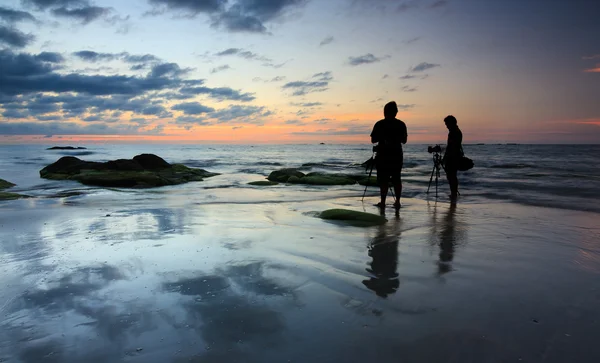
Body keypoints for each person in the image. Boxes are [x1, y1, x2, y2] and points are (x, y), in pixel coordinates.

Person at [370, 101, 408, 209]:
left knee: (384, 179)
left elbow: (373, 140)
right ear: (396, 112)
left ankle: (383, 202)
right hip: (396, 156)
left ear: (384, 112)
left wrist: (383, 138)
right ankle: (397, 202)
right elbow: (404, 140)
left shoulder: (379, 124)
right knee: (396, 179)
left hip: (384, 156)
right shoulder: (401, 124)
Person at [442, 115, 463, 200]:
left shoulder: (454, 132)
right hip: (453, 156)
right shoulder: (455, 131)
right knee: (451, 176)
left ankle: (453, 194)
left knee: (452, 176)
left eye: (447, 124)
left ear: (451, 123)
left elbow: (452, 146)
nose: (446, 126)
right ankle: (453, 193)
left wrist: (447, 156)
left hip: (453, 157)